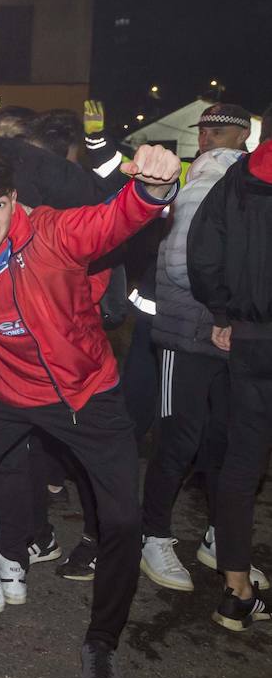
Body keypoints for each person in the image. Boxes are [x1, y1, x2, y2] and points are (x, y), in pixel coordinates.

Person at [0, 144, 181, 678]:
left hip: (82, 395)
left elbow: (119, 215)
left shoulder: (54, 234)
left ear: (15, 203)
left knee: (122, 520)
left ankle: (102, 646)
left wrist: (155, 187)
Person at [142, 146, 244, 592]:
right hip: (188, 337)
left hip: (231, 340)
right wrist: (229, 309)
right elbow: (184, 264)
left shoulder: (247, 184)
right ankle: (153, 535)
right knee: (178, 439)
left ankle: (220, 539)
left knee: (225, 440)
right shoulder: (208, 184)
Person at [188, 137, 272, 631]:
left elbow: (202, 254)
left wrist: (223, 310)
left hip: (249, 338)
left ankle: (236, 589)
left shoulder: (237, 180)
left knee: (243, 460)